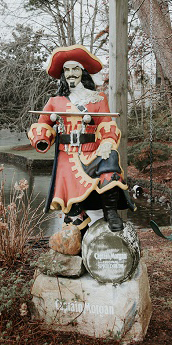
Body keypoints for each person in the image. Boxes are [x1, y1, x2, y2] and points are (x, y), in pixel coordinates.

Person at [28, 44, 131, 232]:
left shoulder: (98, 99)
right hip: (67, 156)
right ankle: (79, 238)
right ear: (63, 75)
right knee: (72, 210)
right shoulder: (54, 101)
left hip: (92, 152)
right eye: (66, 70)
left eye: (75, 68)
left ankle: (111, 214)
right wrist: (43, 136)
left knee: (111, 159)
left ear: (82, 72)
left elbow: (106, 124)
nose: (71, 73)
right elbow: (41, 125)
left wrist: (107, 142)